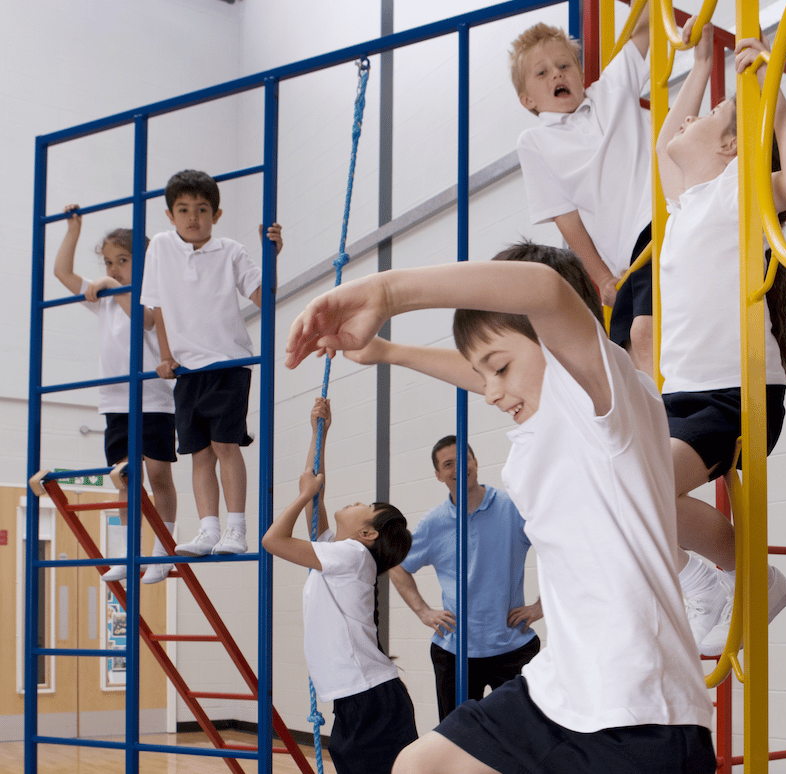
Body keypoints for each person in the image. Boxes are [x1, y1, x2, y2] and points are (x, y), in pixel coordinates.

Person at [285, 244, 716, 774]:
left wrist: (389, 292)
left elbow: (546, 289)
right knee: (419, 765)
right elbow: (486, 365)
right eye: (482, 373)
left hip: (640, 709)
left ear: (560, 340)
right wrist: (387, 352)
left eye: (500, 369)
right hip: (557, 691)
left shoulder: (608, 403)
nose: (489, 392)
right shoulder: (545, 422)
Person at [654, 30, 786, 656]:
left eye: (714, 114)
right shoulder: (689, 199)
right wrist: (699, 68)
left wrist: (771, 96)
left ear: (731, 147)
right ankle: (706, 576)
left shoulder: (736, 191)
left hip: (735, 393)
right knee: (616, 483)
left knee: (645, 486)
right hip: (684, 393)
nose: (691, 117)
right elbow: (665, 150)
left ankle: (750, 579)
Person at [510, 5, 706, 376]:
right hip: (627, 257)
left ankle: (668, 426)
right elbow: (566, 219)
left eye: (565, 65)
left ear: (581, 73)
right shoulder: (535, 141)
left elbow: (649, 22)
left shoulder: (611, 90)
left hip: (663, 218)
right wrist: (601, 277)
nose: (557, 73)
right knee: (625, 353)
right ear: (528, 99)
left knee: (645, 334)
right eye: (542, 72)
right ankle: (657, 425)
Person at [262, 396, 418, 774]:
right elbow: (316, 495)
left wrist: (303, 495)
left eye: (365, 505)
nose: (358, 500)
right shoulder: (346, 553)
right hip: (362, 698)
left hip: (370, 699)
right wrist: (320, 434)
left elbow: (274, 540)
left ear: (366, 532)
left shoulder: (350, 556)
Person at [139, 169, 282, 557]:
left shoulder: (231, 251)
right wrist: (166, 356)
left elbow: (261, 296)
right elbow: (158, 307)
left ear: (216, 215)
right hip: (187, 371)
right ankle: (208, 529)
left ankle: (236, 528)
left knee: (224, 445)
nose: (192, 217)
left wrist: (273, 255)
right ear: (169, 216)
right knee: (198, 453)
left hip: (228, 363)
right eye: (183, 209)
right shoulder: (160, 249)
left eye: (202, 209)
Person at [52, 204, 178, 584]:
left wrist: (110, 285)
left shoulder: (153, 296)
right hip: (115, 402)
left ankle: (163, 551)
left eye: (122, 260)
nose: (112, 269)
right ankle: (128, 553)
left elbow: (143, 320)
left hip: (153, 399)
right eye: (107, 263)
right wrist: (74, 230)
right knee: (124, 478)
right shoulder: (105, 299)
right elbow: (61, 272)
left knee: (158, 475)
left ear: (144, 262)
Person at [390, 435, 542, 721]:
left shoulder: (513, 508)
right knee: (457, 740)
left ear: (475, 462)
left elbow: (559, 548)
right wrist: (423, 611)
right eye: (448, 464)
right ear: (438, 475)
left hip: (512, 647)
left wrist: (541, 606)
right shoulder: (434, 523)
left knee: (524, 736)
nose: (458, 467)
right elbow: (397, 565)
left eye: (463, 459)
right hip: (455, 652)